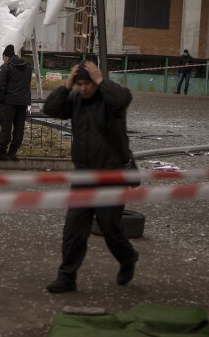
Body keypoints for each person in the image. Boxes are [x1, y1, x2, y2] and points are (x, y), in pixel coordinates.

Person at [42, 60, 139, 293]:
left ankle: (128, 258)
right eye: (80, 84)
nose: (84, 89)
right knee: (73, 229)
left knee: (110, 228)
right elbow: (50, 109)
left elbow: (124, 99)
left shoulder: (110, 100)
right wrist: (66, 87)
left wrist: (101, 81)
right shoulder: (75, 99)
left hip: (110, 175)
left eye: (88, 84)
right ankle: (66, 277)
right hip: (84, 175)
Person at [0, 44, 32, 161]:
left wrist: (2, 99)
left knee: (6, 126)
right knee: (19, 127)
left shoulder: (7, 67)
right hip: (23, 102)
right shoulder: (27, 67)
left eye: (3, 58)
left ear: (6, 57)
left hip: (9, 102)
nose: (3, 60)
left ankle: (2, 151)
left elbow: (0, 86)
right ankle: (13, 152)